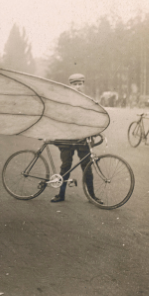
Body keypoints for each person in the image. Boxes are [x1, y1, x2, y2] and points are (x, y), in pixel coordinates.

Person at [51, 73, 101, 205]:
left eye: (80, 84)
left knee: (87, 168)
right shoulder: (64, 100)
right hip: (67, 139)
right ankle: (60, 194)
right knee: (65, 167)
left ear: (83, 85)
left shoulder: (88, 100)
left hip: (83, 139)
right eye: (74, 84)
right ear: (70, 85)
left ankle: (92, 196)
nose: (77, 87)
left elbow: (94, 118)